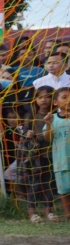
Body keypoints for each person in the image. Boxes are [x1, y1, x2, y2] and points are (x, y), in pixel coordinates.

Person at [20, 86, 56, 222]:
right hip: (36, 156)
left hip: (52, 154)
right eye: (40, 97)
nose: (44, 100)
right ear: (35, 99)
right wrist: (27, 134)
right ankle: (32, 213)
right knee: (34, 184)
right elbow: (23, 135)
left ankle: (48, 212)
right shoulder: (31, 116)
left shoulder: (56, 115)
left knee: (49, 184)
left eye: (47, 97)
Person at [50, 87, 70, 219]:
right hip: (61, 161)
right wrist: (47, 123)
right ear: (55, 102)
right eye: (64, 97)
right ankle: (68, 213)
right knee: (64, 190)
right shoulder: (53, 119)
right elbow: (48, 138)